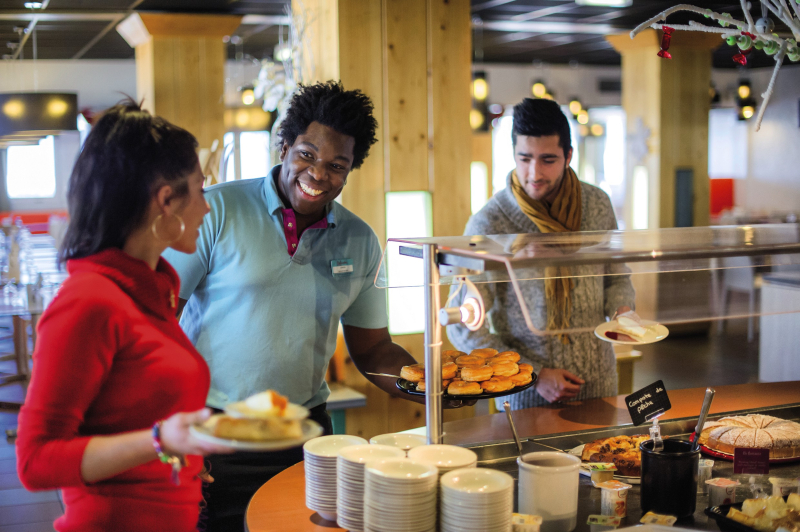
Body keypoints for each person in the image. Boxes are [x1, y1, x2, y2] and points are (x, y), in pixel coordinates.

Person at [163, 81, 426, 531]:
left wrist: (426, 387)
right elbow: (159, 324)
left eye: (337, 166)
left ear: (349, 171)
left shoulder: (360, 240)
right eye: (307, 154)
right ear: (283, 147)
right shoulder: (217, 210)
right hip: (215, 430)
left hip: (307, 437)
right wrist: (174, 427)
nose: (319, 174)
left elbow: (374, 350)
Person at [16, 101, 231, 532]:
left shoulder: (152, 291)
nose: (207, 208)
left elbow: (133, 417)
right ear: (166, 200)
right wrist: (160, 442)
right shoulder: (90, 300)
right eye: (201, 190)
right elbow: (35, 461)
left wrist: (179, 456)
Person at [447, 98, 635, 409]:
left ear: (568, 156)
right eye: (525, 159)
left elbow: (616, 277)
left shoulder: (597, 204)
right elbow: (462, 325)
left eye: (548, 160)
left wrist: (623, 313)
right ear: (513, 155)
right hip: (524, 396)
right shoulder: (489, 223)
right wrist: (533, 373)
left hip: (599, 383)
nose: (534, 173)